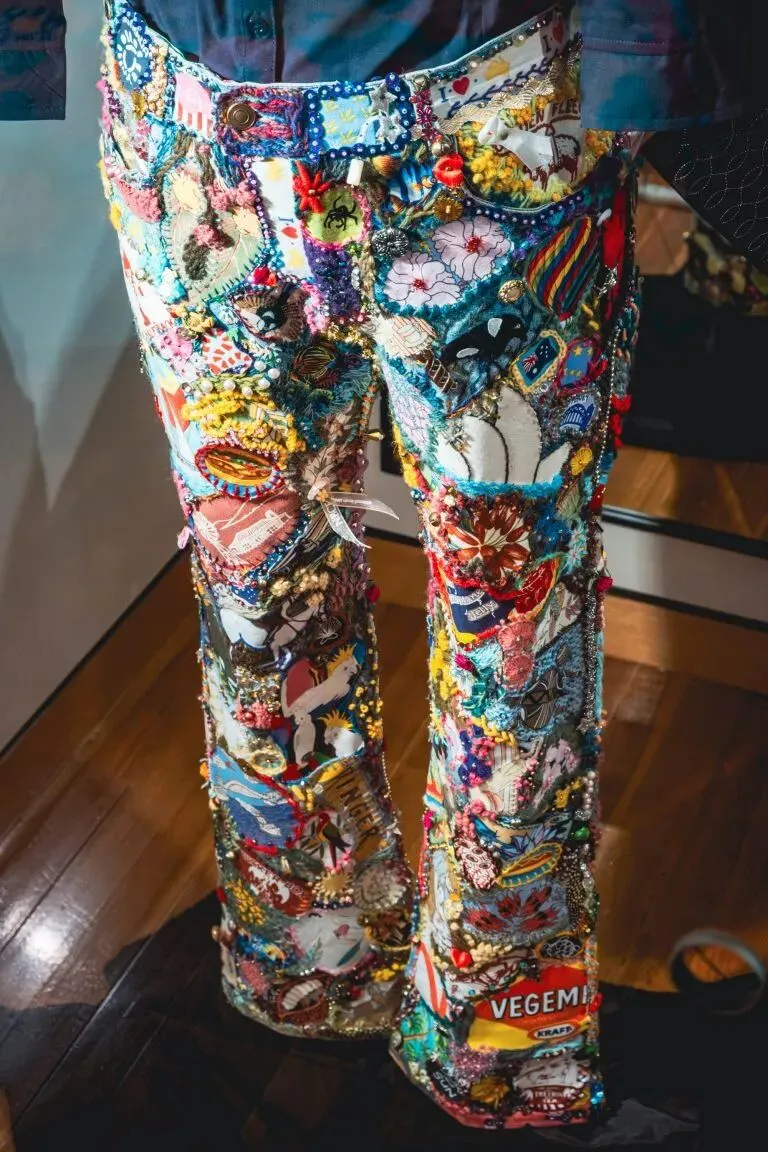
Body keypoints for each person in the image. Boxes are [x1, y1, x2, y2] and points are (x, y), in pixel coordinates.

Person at [0, 0, 763, 1132]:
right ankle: (314, 970)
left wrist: (644, 57)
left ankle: (499, 1050)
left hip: (488, 122)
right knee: (256, 613)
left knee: (519, 642)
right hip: (181, 126)